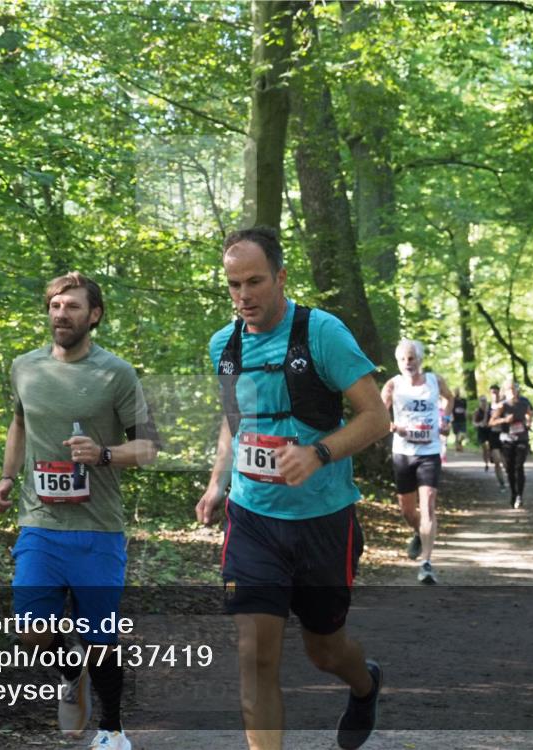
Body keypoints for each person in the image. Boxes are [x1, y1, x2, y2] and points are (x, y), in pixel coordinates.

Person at [196, 226, 390, 750]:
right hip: (253, 520)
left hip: (323, 520)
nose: (244, 296)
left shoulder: (322, 333)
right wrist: (220, 482)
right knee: (255, 654)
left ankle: (365, 683)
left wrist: (319, 452)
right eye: (233, 285)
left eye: (255, 281)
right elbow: (235, 420)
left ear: (280, 277)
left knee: (324, 651)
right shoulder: (224, 344)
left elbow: (376, 417)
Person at [0, 272, 159, 750]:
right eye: (55, 306)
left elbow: (148, 448)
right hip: (39, 521)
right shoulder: (25, 367)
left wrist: (103, 454)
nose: (61, 314)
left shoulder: (117, 373)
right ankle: (71, 671)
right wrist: (7, 477)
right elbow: (20, 423)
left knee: (101, 638)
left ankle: (111, 729)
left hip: (98, 528)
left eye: (72, 307)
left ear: (95, 315)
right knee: (29, 632)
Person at [381, 340, 454, 585]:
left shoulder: (435, 381)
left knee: (429, 502)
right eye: (403, 359)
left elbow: (449, 399)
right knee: (407, 510)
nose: (407, 363)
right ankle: (418, 533)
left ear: (420, 359)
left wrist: (446, 420)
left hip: (430, 450)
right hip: (403, 452)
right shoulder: (393, 385)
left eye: (411, 358)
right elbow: (379, 415)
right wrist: (393, 426)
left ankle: (426, 563)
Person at [489, 379, 533, 509]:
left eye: (514, 389)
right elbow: (491, 422)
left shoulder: (524, 402)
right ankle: (513, 493)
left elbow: (530, 413)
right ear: (505, 391)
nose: (512, 392)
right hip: (507, 439)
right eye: (509, 389)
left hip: (521, 438)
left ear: (517, 390)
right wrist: (504, 419)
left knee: (519, 467)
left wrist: (529, 422)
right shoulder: (503, 406)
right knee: (509, 468)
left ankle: (519, 495)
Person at [486, 384, 508, 491]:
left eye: (496, 392)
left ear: (499, 392)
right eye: (492, 392)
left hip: (504, 435)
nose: (494, 394)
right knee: (497, 460)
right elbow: (486, 422)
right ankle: (501, 483)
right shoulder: (488, 406)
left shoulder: (505, 405)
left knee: (506, 461)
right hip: (493, 435)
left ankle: (511, 478)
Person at [472, 395, 492, 471]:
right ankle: (486, 463)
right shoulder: (477, 411)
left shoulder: (490, 410)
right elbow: (474, 423)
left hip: (490, 430)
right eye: (482, 401)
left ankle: (490, 457)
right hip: (481, 431)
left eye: (484, 401)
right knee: (484, 447)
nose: (483, 403)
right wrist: (479, 424)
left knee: (489, 446)